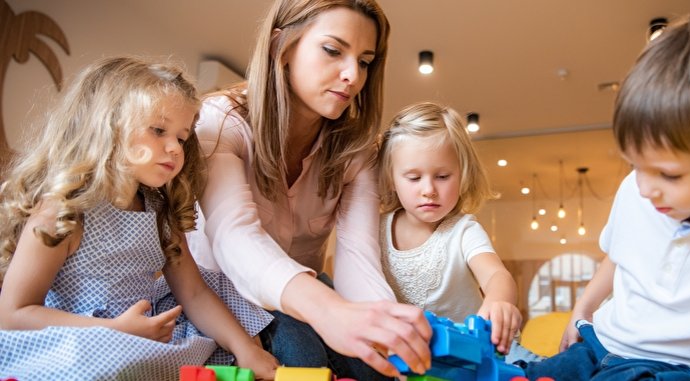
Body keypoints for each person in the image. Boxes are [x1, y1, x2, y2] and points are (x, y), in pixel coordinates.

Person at [522, 10, 690, 381]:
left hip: (677, 372)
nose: (643, 188)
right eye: (634, 166)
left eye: (668, 174)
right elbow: (617, 256)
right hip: (599, 344)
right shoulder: (636, 195)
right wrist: (583, 308)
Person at [186, 0, 431, 379]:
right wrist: (329, 311)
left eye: (365, 61)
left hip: (308, 297)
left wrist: (390, 339)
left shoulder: (357, 149)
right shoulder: (221, 123)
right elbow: (234, 237)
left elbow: (358, 259)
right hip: (222, 299)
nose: (353, 75)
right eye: (333, 51)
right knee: (302, 356)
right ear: (280, 48)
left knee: (378, 366)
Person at [0, 56, 278, 380]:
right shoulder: (63, 209)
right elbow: (12, 313)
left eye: (181, 137)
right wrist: (113, 330)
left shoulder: (159, 211)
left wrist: (245, 349)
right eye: (159, 130)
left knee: (224, 292)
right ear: (109, 127)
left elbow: (195, 293)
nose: (174, 148)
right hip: (80, 339)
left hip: (144, 332)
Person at [376, 101, 542, 364]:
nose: (429, 189)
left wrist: (500, 302)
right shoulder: (375, 230)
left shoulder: (464, 230)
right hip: (412, 358)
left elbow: (496, 275)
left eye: (442, 176)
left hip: (478, 351)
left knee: (542, 368)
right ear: (390, 178)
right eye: (414, 178)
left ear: (463, 175)